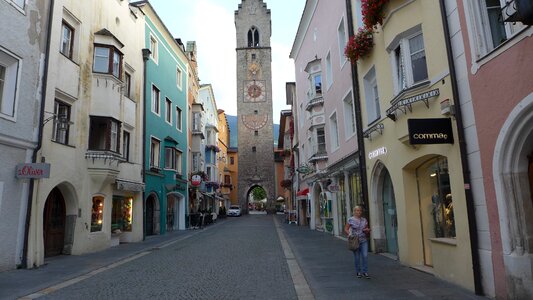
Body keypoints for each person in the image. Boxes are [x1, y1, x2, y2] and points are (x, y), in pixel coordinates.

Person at [344, 206, 371, 279]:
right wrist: (349, 234)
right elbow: (346, 229)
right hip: (355, 241)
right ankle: (358, 271)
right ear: (354, 211)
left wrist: (367, 230)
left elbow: (366, 228)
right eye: (357, 210)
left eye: (360, 210)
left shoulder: (364, 220)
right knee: (357, 257)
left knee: (365, 256)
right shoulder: (350, 220)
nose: (358, 212)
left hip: (363, 240)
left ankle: (365, 271)